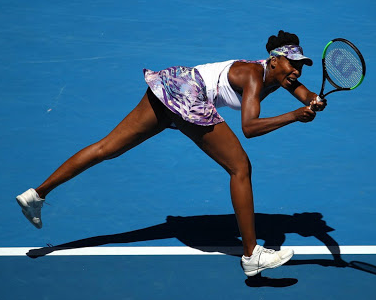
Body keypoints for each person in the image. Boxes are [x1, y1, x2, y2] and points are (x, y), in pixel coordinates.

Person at [16, 30, 327, 277]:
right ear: (273, 61)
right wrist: (294, 116)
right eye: (293, 64)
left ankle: (37, 194)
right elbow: (250, 127)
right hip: (188, 95)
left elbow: (305, 94)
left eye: (300, 66)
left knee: (106, 148)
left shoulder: (279, 76)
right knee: (240, 167)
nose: (297, 72)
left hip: (171, 82)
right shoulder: (252, 76)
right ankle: (251, 255)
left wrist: (315, 100)